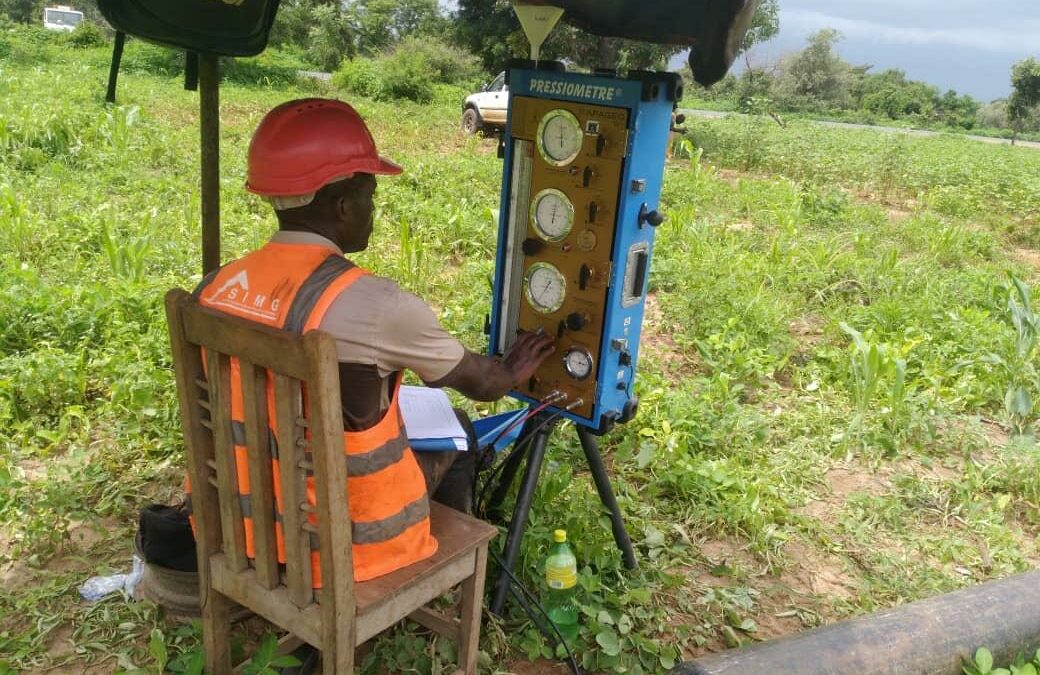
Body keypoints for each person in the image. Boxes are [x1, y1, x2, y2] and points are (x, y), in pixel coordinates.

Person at [192, 98, 555, 583]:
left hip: (240, 527)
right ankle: (441, 581)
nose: (373, 211)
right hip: (342, 547)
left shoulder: (214, 288)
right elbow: (484, 384)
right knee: (461, 431)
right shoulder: (378, 306)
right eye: (371, 197)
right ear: (343, 206)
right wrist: (510, 369)